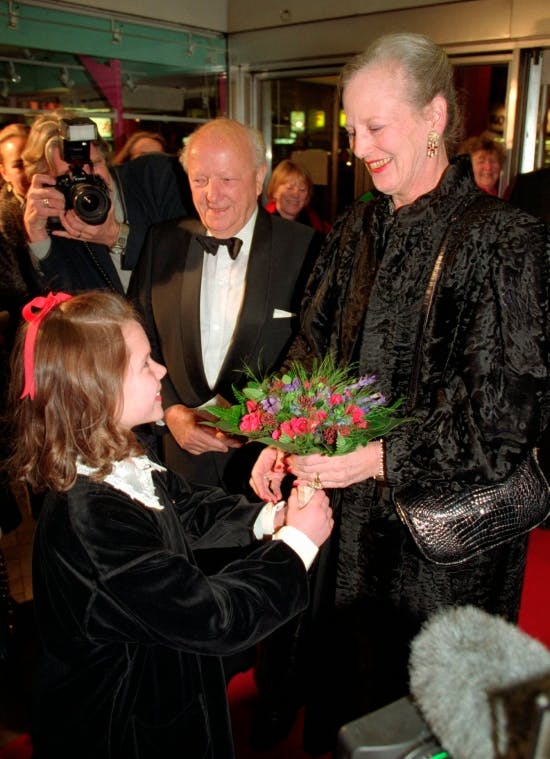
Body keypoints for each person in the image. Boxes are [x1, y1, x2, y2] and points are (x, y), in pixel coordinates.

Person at [252, 31, 550, 755]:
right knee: (344, 718)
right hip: (340, 534)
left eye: (375, 127)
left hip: (445, 556)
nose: (359, 146)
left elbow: (507, 417)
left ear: (435, 118)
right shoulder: (354, 227)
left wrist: (381, 457)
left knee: (425, 726)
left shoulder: (507, 239)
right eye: (354, 128)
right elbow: (310, 348)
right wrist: (280, 432)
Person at [6, 290, 333, 759]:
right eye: (144, 365)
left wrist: (269, 517)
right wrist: (296, 544)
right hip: (127, 727)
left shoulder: (114, 451)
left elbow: (182, 506)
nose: (161, 371)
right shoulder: (92, 524)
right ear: (96, 390)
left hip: (164, 678)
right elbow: (215, 618)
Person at [130, 117, 320, 493]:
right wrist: (171, 412)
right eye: (200, 180)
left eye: (227, 180)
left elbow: (318, 349)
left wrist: (262, 422)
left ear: (259, 176)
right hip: (182, 464)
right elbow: (139, 335)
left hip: (268, 466)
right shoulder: (162, 241)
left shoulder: (307, 249)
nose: (212, 195)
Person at [22, 110, 191, 294]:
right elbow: (64, 305)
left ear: (105, 157)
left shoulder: (155, 178)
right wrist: (37, 235)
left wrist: (115, 236)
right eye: (70, 176)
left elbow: (188, 254)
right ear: (47, 182)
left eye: (94, 164)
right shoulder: (55, 216)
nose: (88, 179)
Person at [265, 159, 331, 234]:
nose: (295, 195)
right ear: (274, 191)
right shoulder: (262, 226)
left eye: (302, 189)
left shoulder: (317, 225)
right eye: (289, 188)